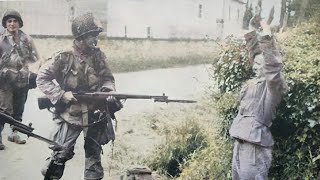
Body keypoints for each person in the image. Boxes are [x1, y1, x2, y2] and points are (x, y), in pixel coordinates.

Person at [36, 13, 122, 180]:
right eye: (92, 35)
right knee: (61, 153)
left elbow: (108, 78)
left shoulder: (98, 56)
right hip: (70, 113)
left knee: (94, 156)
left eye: (96, 35)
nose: (95, 39)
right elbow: (42, 78)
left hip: (96, 114)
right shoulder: (63, 57)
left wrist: (108, 91)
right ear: (81, 36)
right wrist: (61, 94)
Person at [229, 19, 288, 179]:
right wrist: (250, 33)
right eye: (254, 63)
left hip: (255, 146)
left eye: (259, 64)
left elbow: (273, 66)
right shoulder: (254, 83)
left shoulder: (272, 87)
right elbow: (255, 54)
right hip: (240, 141)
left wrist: (267, 37)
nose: (255, 66)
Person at [0, 9, 39, 150]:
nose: (12, 24)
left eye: (15, 21)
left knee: (18, 110)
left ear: (20, 23)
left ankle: (15, 134)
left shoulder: (27, 39)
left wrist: (31, 73)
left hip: (22, 81)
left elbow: (35, 59)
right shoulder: (0, 39)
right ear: (5, 23)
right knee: (4, 110)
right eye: (9, 21)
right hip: (4, 81)